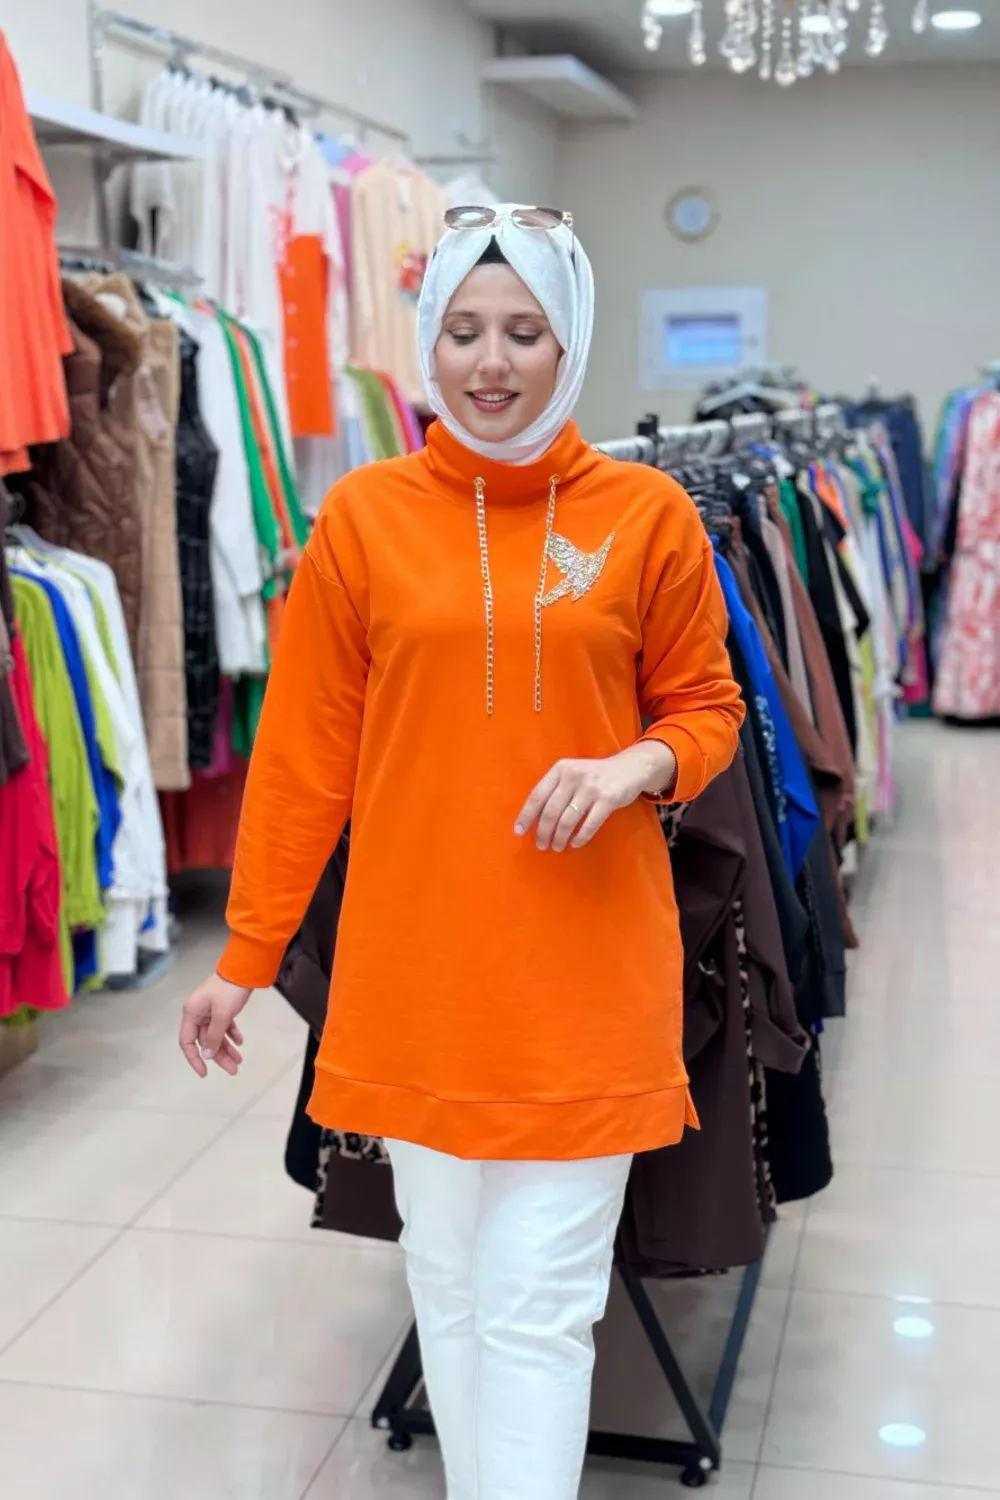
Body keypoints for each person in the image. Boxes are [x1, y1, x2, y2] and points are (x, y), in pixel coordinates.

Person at [180, 204, 745, 1500]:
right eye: (463, 330)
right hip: (416, 978)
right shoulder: (362, 519)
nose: (491, 362)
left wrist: (633, 766)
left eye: (524, 332)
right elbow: (304, 762)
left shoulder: (648, 515)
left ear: (571, 341)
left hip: (586, 978)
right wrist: (247, 955)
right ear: (429, 342)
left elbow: (709, 709)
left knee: (541, 1308)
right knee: (447, 1285)